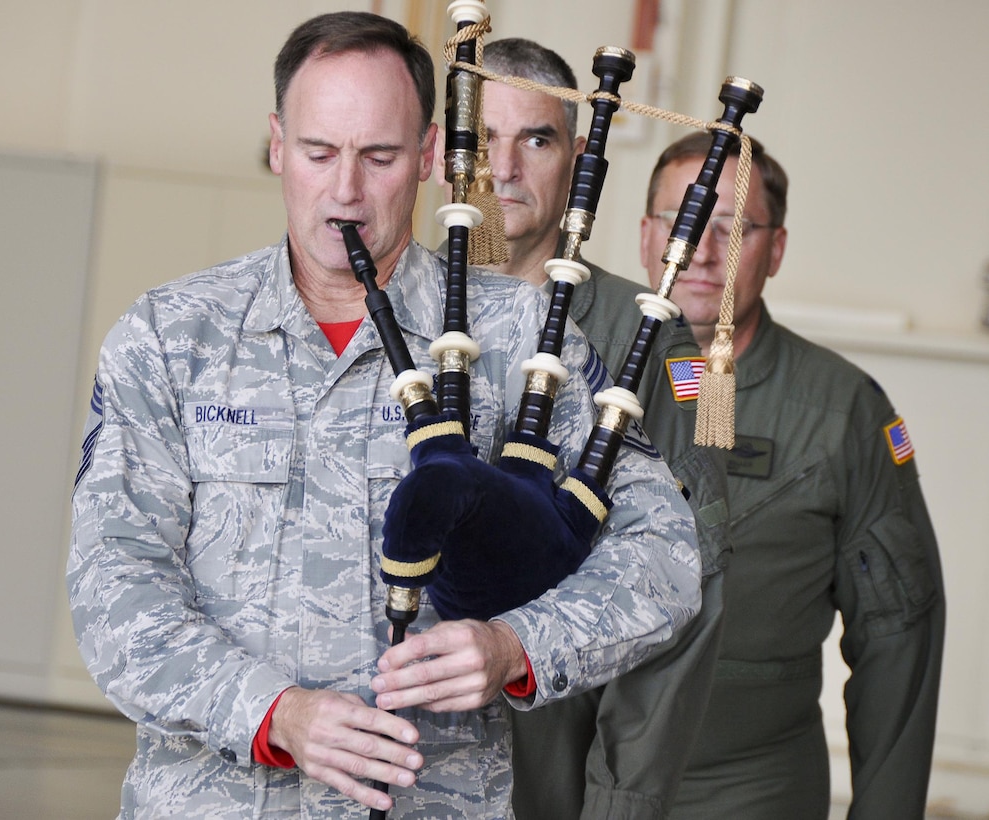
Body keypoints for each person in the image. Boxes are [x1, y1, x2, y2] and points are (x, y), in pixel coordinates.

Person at [66, 12, 702, 820]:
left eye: (379, 156)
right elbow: (114, 583)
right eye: (318, 152)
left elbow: (664, 555)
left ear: (432, 157)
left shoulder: (517, 341)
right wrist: (273, 712)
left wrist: (517, 645)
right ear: (275, 144)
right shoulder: (171, 335)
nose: (346, 191)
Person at [447, 38, 730, 819]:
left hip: (541, 765)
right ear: (449, 152)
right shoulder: (396, 311)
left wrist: (620, 804)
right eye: (486, 139)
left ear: (577, 158)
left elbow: (687, 585)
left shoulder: (646, 337)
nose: (502, 169)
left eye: (534, 139)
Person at [640, 131, 945, 818]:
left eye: (733, 227)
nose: (701, 250)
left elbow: (898, 636)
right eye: (680, 220)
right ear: (644, 233)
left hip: (747, 787)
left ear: (774, 249)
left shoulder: (840, 411)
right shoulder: (569, 375)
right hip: (571, 773)